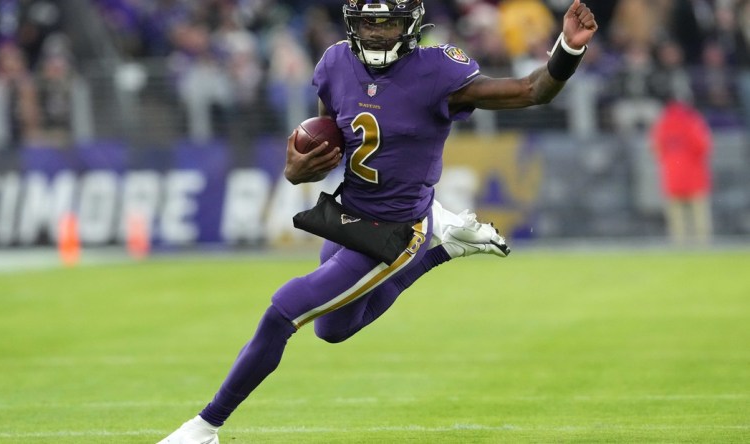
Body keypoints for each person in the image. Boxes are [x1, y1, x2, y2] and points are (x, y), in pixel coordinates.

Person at [158, 1, 597, 442]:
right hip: (349, 213)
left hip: (395, 229)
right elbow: (329, 135)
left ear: (412, 24)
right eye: (368, 22)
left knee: (284, 309)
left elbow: (531, 90)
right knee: (332, 329)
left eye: (388, 23)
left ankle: (205, 427)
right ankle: (445, 246)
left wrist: (568, 50)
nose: (376, 33)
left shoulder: (439, 70)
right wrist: (296, 170)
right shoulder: (335, 62)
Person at [650, 98, 713, 246]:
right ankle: (702, 244)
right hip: (694, 174)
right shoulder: (693, 122)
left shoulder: (662, 125)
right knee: (698, 212)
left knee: (676, 214)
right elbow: (703, 146)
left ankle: (679, 243)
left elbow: (656, 149)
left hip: (672, 175)